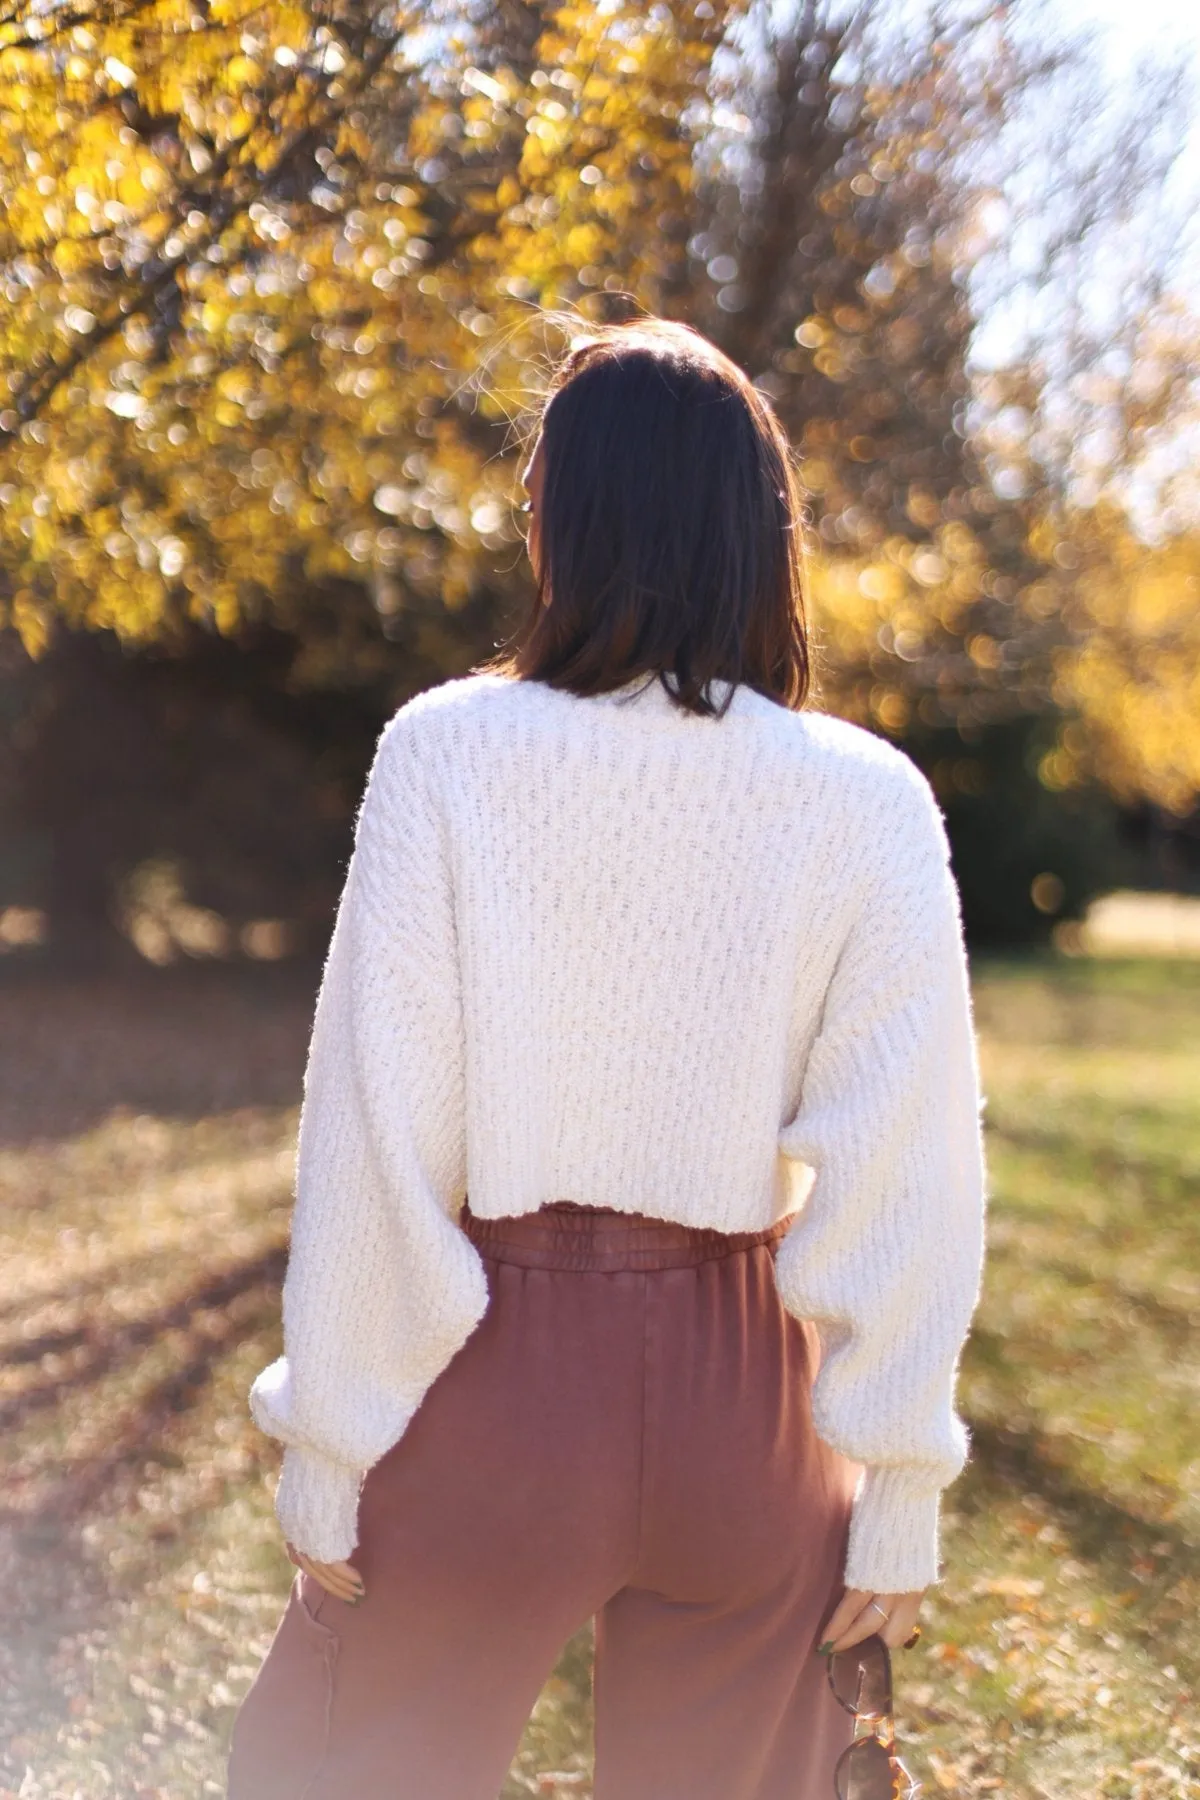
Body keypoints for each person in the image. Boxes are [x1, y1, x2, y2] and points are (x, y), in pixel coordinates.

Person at [226, 312, 989, 1800]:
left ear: (557, 521)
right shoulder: (868, 797)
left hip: (489, 1381)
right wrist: (893, 1491)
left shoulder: (446, 753)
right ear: (763, 536)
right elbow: (911, 1172)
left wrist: (331, 1444)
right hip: (747, 1406)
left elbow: (379, 1129)